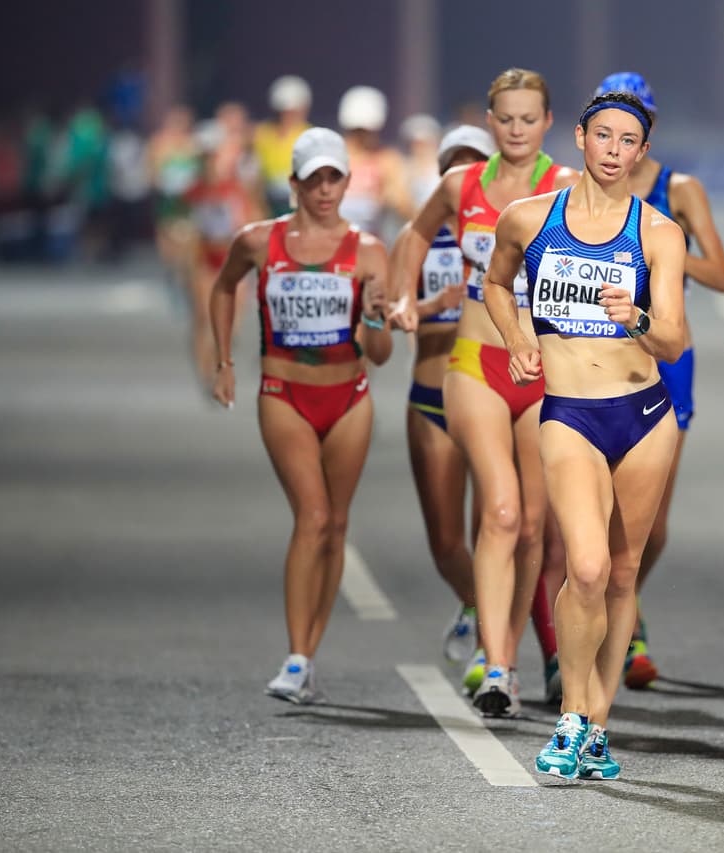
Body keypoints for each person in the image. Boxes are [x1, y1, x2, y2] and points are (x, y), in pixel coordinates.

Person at [485, 90, 686, 780]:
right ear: (579, 136)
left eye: (627, 141)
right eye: (603, 135)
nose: (613, 150)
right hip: (569, 412)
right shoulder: (528, 219)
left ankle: (599, 722)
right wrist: (516, 337)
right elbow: (494, 283)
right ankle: (570, 715)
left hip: (645, 415)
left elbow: (676, 339)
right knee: (589, 566)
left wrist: (636, 317)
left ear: (641, 153)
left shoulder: (657, 231)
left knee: (625, 571)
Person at [390, 68, 578, 717]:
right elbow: (414, 234)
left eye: (530, 119)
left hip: (543, 367)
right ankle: (496, 665)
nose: (519, 129)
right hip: (474, 361)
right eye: (507, 119)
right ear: (490, 122)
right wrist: (400, 297)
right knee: (499, 511)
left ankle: (512, 656)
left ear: (548, 122)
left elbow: (618, 244)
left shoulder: (565, 187)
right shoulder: (461, 184)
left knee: (532, 525)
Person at [211, 127, 394, 704]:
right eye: (312, 178)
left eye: (333, 177)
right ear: (292, 183)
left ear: (346, 181)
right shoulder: (259, 241)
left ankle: (308, 654)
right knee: (312, 516)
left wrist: (375, 317)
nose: (323, 189)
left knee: (336, 523)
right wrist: (223, 361)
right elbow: (222, 289)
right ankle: (294, 657)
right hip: (284, 394)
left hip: (350, 397)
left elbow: (382, 354)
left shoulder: (367, 250)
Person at [593, 71, 724, 690]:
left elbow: (722, 274)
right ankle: (603, 619)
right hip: (595, 353)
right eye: (610, 123)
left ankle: (630, 610)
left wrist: (662, 247)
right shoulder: (578, 192)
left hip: (667, 357)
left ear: (648, 129)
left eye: (636, 119)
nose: (619, 139)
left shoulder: (680, 189)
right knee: (589, 503)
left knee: (653, 520)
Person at [389, 125, 495, 664]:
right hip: (432, 396)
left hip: (492, 392)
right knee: (447, 543)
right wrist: (431, 306)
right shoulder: (418, 237)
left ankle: (496, 652)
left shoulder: (510, 232)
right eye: (454, 165)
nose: (464, 174)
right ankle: (480, 606)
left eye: (475, 164)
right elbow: (387, 314)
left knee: (497, 529)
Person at [184, 120, 260, 386]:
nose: (209, 161)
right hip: (203, 260)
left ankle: (219, 365)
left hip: (231, 261)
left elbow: (252, 222)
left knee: (232, 322)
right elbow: (179, 227)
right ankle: (206, 372)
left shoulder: (237, 188)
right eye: (203, 155)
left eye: (212, 154)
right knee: (205, 316)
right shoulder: (191, 191)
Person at [336, 86, 412, 242]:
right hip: (330, 244)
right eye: (357, 130)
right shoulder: (331, 157)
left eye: (367, 130)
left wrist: (393, 198)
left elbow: (405, 208)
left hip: (370, 244)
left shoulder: (388, 160)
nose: (363, 136)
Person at [147, 105, 199, 285]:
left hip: (187, 199)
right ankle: (171, 265)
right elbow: (151, 171)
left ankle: (185, 266)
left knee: (187, 232)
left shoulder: (193, 145)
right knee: (166, 231)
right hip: (167, 197)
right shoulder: (159, 143)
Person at [253, 75, 313, 216]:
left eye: (292, 111)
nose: (287, 116)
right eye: (283, 111)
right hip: (269, 203)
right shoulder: (263, 134)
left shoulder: (309, 135)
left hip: (298, 202)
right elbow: (257, 176)